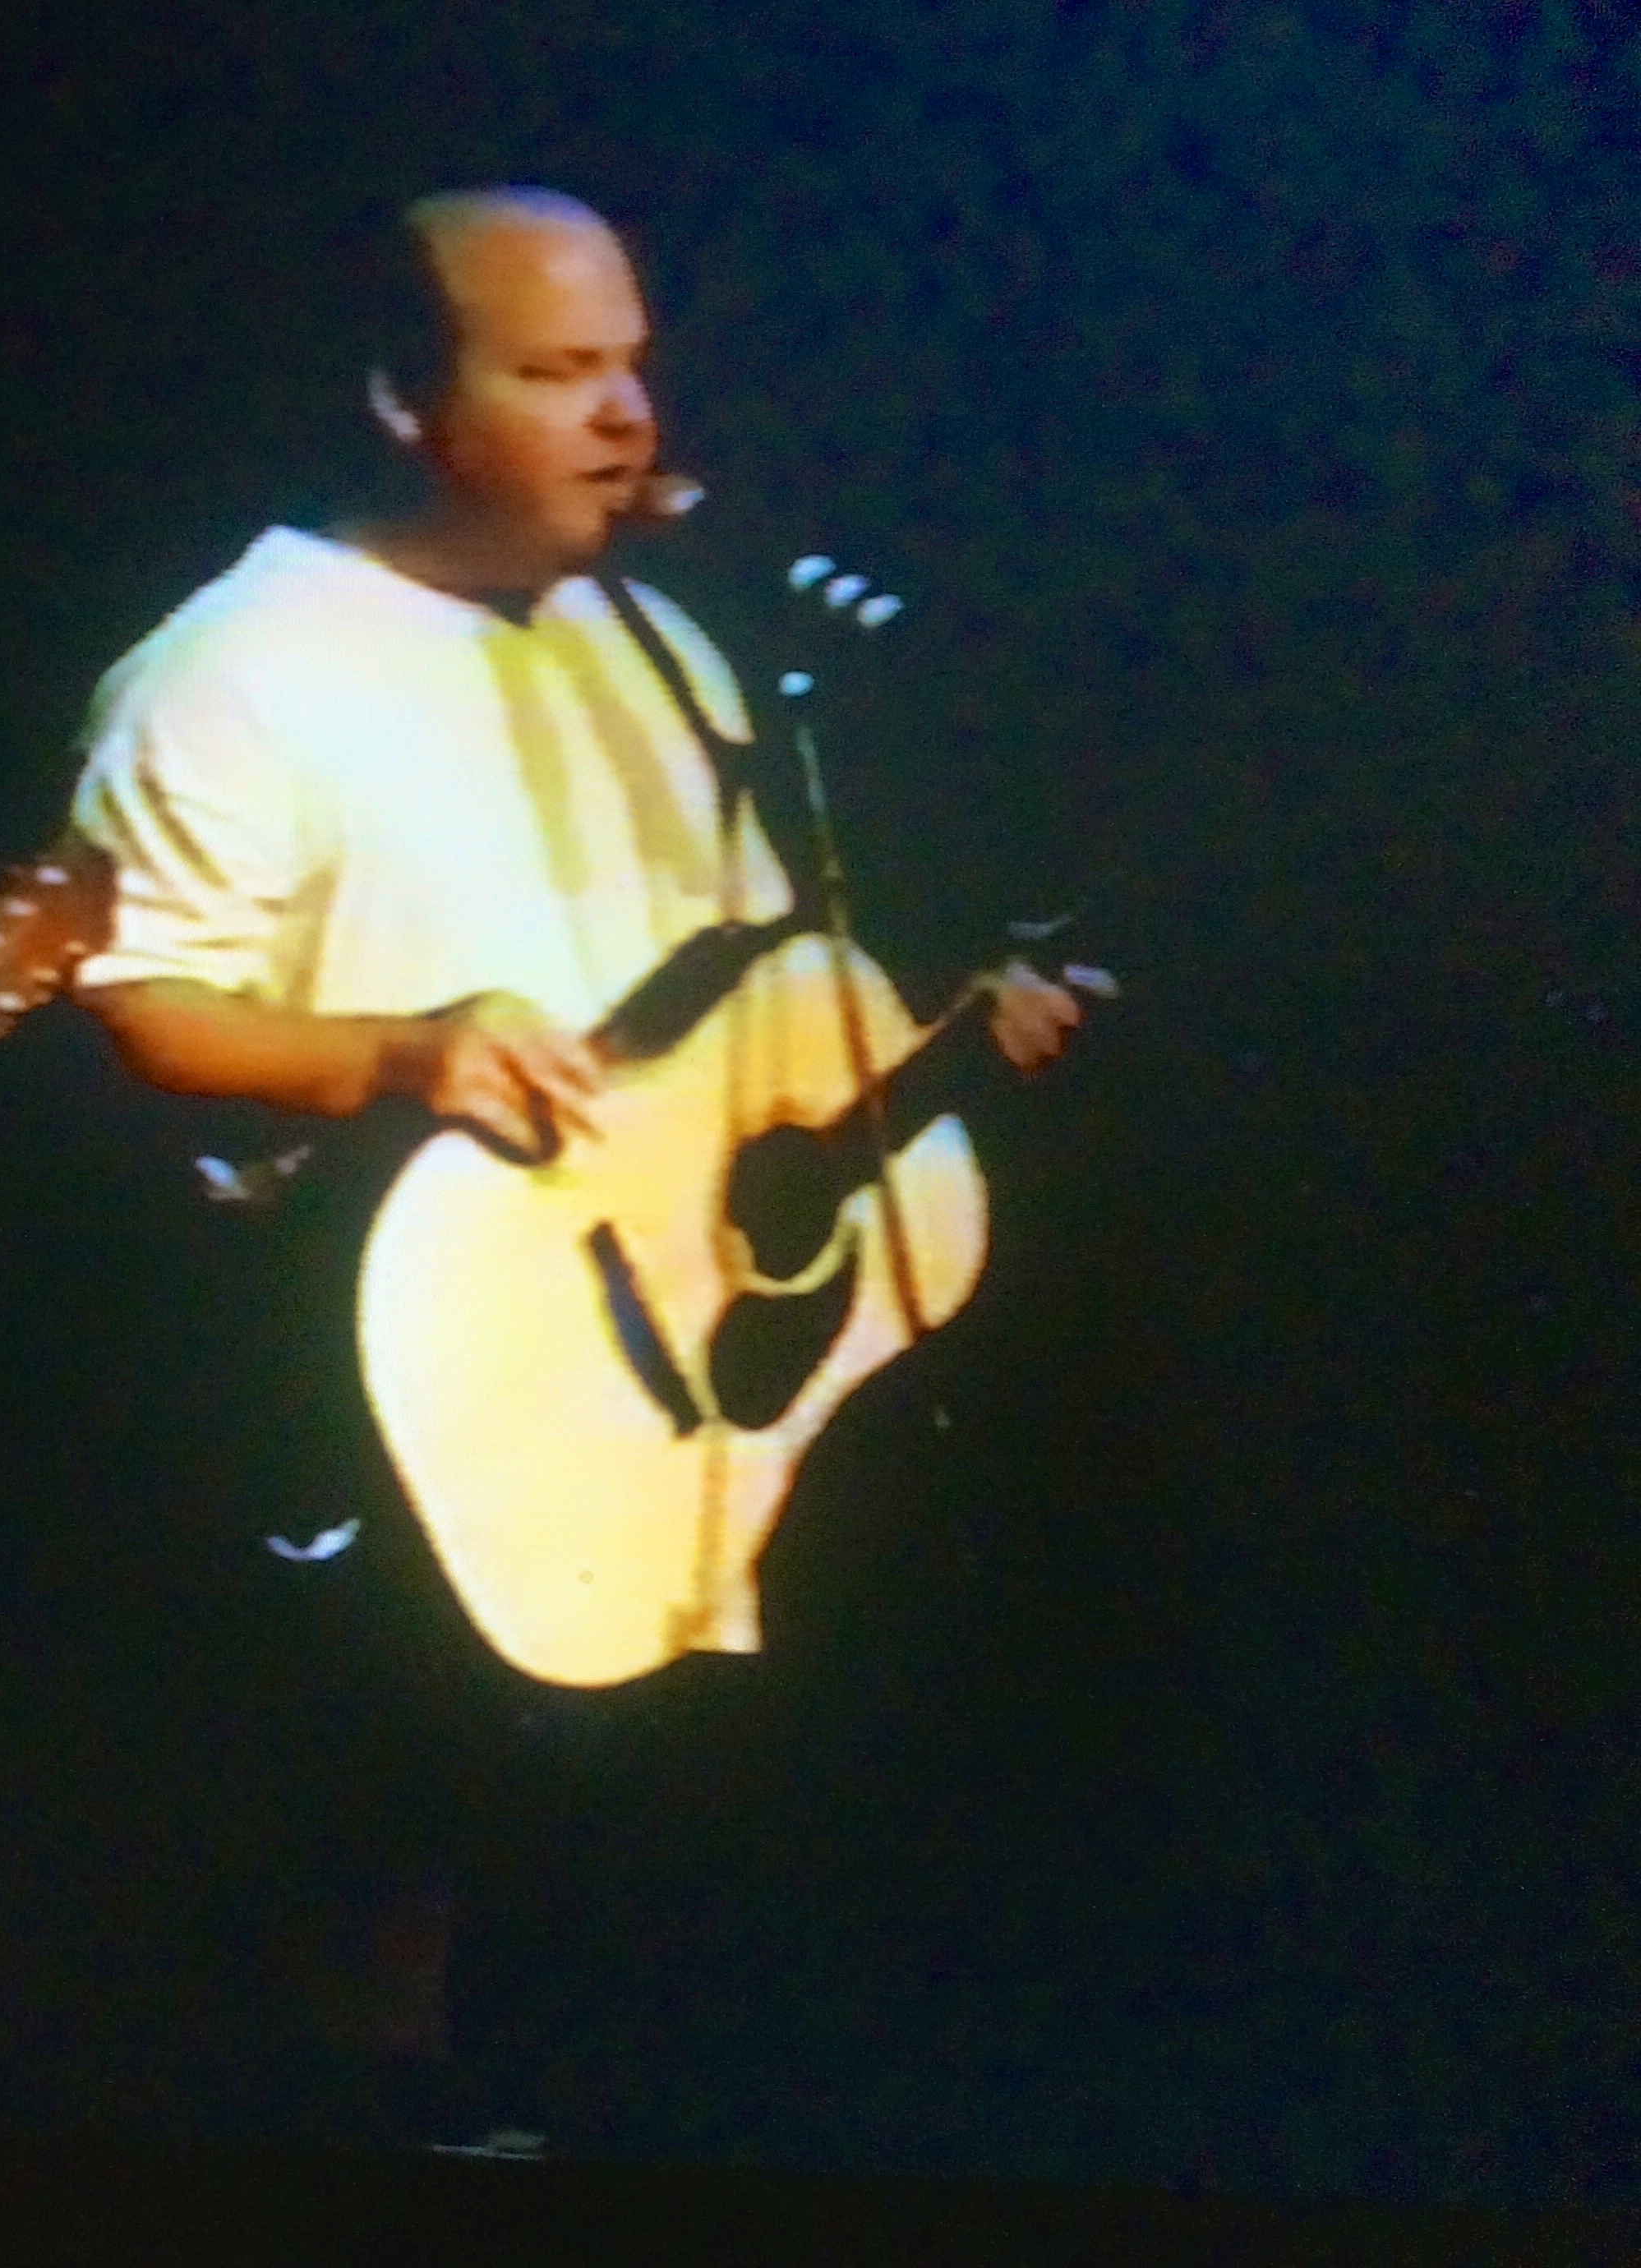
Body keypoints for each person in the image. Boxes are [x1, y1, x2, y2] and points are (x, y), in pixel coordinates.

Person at [59, 187, 1085, 2142]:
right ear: (399, 397)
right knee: (415, 1946)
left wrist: (946, 1037)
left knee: (663, 1952)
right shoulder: (235, 665)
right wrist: (396, 1050)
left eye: (628, 365)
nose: (624, 418)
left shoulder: (665, 649)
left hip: (680, 1383)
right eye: (552, 372)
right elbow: (126, 1012)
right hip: (392, 1391)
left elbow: (751, 992)